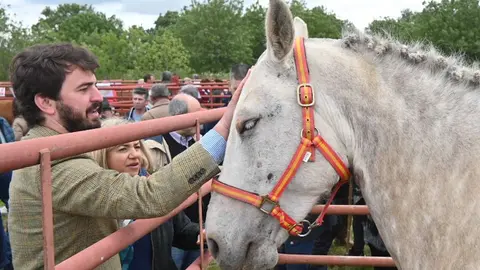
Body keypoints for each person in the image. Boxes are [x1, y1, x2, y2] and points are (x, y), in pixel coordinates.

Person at [7, 43, 242, 270]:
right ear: (46, 102)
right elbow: (151, 196)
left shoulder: (56, 148)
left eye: (95, 86)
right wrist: (222, 130)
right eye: (83, 89)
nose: (98, 96)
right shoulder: (52, 165)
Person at [92, 117, 203, 270]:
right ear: (102, 155)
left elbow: (182, 231)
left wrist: (204, 235)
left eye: (137, 147)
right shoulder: (92, 198)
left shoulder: (154, 185)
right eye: (123, 149)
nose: (134, 155)